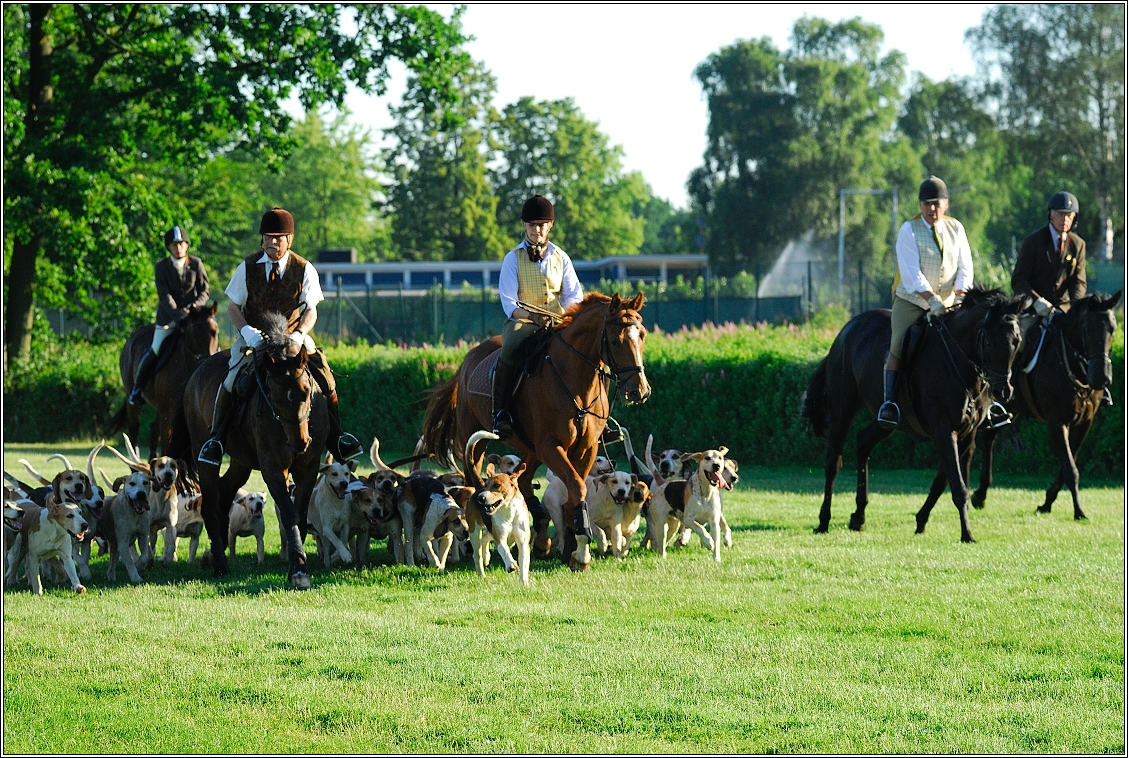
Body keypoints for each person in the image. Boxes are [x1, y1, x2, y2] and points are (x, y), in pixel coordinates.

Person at [197, 207, 362, 466]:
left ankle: (338, 437)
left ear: (290, 239)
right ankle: (216, 440)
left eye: (279, 237)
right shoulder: (247, 267)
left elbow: (311, 311)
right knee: (230, 379)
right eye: (268, 237)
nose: (272, 242)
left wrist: (298, 335)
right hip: (255, 338)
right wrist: (246, 331)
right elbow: (232, 307)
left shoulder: (305, 268)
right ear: (261, 239)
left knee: (325, 376)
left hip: (291, 339)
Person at [878, 176, 974, 429]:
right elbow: (911, 274)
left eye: (937, 203)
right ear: (920, 205)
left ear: (946, 204)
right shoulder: (908, 229)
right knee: (898, 341)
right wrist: (931, 300)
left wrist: (961, 295)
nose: (932, 209)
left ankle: (987, 403)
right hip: (913, 301)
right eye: (927, 204)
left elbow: (965, 266)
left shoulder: (957, 228)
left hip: (950, 301)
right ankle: (890, 404)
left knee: (974, 339)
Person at [491, 194, 585, 438]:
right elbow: (509, 303)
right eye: (532, 225)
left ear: (550, 225)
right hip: (523, 322)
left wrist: (567, 317)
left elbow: (573, 296)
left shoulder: (562, 257)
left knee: (588, 350)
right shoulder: (512, 259)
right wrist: (533, 317)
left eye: (542, 225)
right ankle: (499, 411)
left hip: (557, 322)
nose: (537, 230)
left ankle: (598, 417)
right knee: (509, 346)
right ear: (524, 226)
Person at [1012, 191, 1104, 402]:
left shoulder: (1078, 245)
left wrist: (1076, 308)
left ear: (1074, 219)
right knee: (1019, 340)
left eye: (1069, 215)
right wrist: (1037, 302)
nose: (1065, 219)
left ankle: (1094, 389)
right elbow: (1019, 281)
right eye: (1060, 214)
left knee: (1086, 338)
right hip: (1032, 309)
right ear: (1050, 215)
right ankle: (1010, 392)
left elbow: (1078, 283)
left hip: (1062, 309)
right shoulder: (1033, 241)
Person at [128, 226, 210, 406]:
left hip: (193, 316)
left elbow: (204, 290)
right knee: (155, 348)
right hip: (169, 319)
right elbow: (165, 297)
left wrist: (194, 307)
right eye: (174, 245)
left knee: (209, 343)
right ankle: (138, 388)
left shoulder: (196, 263)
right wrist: (179, 316)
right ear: (169, 247)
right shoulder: (161, 267)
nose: (178, 248)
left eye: (181, 244)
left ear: (187, 245)